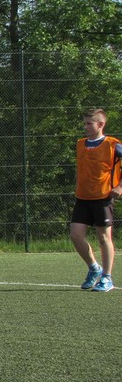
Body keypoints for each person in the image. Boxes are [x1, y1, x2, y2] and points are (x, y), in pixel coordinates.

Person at [70, 107, 122, 292]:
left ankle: (107, 277)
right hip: (83, 197)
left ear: (101, 124)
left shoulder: (113, 145)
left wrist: (120, 187)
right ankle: (94, 268)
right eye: (84, 123)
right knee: (75, 235)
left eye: (89, 123)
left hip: (103, 197)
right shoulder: (80, 144)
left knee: (103, 237)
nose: (85, 127)